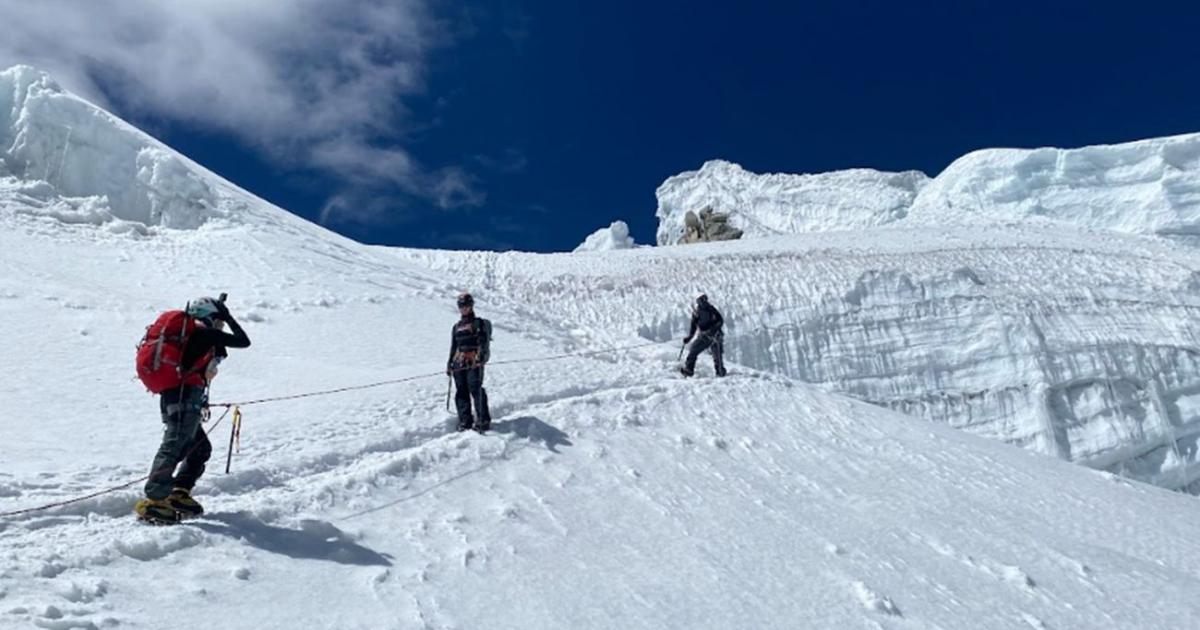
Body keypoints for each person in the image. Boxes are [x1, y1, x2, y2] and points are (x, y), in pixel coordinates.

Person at [135, 296, 251, 523]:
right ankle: (155, 500)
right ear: (210, 316)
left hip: (176, 396)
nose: (220, 324)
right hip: (184, 396)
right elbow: (243, 341)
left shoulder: (192, 336)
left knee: (198, 448)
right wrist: (227, 316)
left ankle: (179, 493)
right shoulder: (202, 333)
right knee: (175, 444)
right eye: (217, 319)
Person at [447, 293, 493, 432]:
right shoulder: (456, 327)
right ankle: (465, 421)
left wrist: (481, 357)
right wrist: (449, 363)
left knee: (475, 388)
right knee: (461, 391)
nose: (464, 308)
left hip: (475, 360)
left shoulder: (479, 323)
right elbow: (454, 346)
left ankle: (483, 420)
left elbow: (484, 342)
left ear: (471, 305)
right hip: (459, 362)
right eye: (461, 306)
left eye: (466, 305)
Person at [681, 293, 726, 377]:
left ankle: (720, 372)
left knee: (717, 356)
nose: (704, 301)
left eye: (704, 299)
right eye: (702, 300)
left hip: (715, 335)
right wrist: (689, 338)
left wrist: (713, 330)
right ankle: (689, 369)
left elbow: (720, 321)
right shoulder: (698, 313)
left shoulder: (711, 310)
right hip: (706, 336)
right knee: (694, 349)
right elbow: (693, 327)